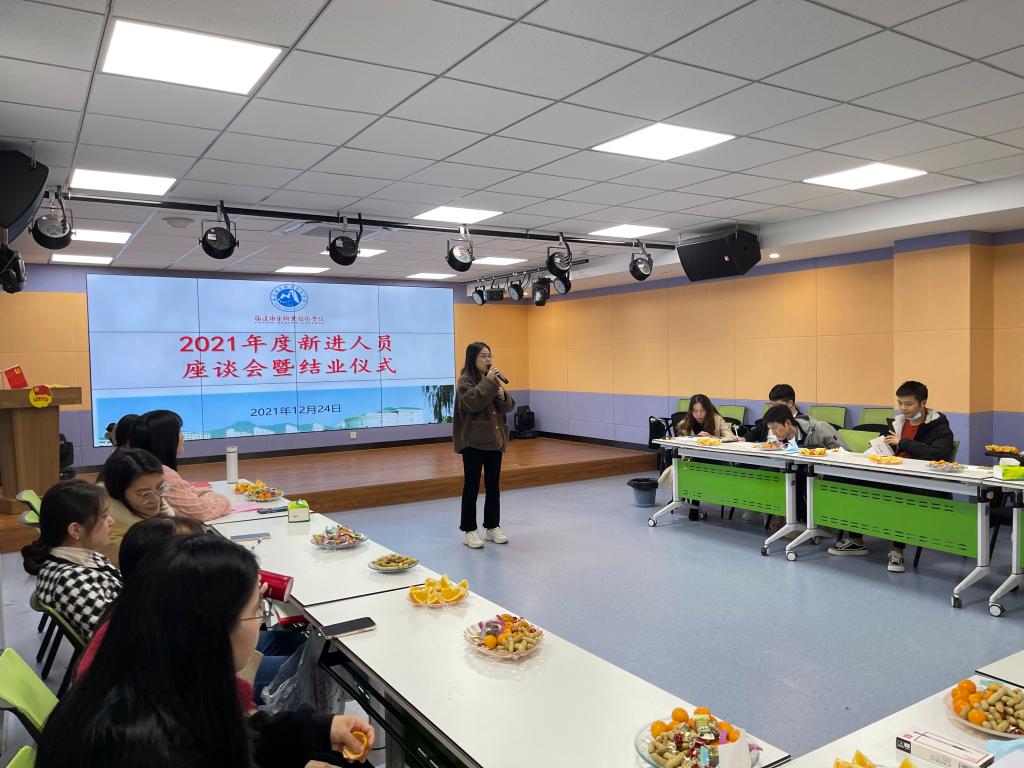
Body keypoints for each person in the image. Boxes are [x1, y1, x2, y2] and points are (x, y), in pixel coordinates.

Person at [38, 534, 374, 768]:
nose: (260, 621)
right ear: (211, 630)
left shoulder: (149, 674)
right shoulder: (143, 749)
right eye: (256, 610)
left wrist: (318, 730)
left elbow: (230, 733)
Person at [76, 516, 303, 708]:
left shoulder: (139, 611)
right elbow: (226, 695)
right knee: (301, 670)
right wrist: (244, 613)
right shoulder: (167, 656)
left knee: (295, 644)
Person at [829, 380, 955, 572]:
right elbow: (884, 446)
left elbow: (939, 454)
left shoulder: (939, 426)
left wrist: (903, 442)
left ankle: (897, 550)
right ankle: (856, 540)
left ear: (923, 403)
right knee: (850, 481)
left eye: (908, 404)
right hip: (889, 473)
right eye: (900, 403)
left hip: (920, 482)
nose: (903, 408)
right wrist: (877, 447)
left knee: (899, 492)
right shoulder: (896, 423)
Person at [21, 480, 121, 640]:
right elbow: (116, 638)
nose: (112, 522)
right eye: (104, 516)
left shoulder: (82, 556)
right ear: (75, 530)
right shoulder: (71, 581)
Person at [454, 341, 515, 549]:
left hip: (494, 442)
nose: (488, 360)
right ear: (472, 358)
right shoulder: (464, 381)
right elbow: (472, 403)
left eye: (489, 356)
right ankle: (469, 530)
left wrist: (502, 395)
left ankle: (492, 526)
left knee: (493, 487)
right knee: (471, 487)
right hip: (473, 443)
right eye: (483, 356)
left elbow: (507, 407)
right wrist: (489, 383)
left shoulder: (492, 380)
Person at [131, 409, 231, 522]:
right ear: (166, 439)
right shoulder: (162, 474)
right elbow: (200, 513)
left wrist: (196, 492)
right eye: (179, 432)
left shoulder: (137, 465)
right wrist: (218, 498)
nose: (183, 437)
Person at [96, 448, 176, 566]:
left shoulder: (154, 513)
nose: (155, 499)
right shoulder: (113, 539)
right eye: (144, 494)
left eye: (160, 487)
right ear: (119, 494)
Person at [763, 405, 848, 450]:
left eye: (775, 428)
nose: (773, 433)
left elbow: (844, 452)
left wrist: (825, 469)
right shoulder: (779, 441)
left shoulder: (819, 428)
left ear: (788, 423)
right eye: (771, 429)